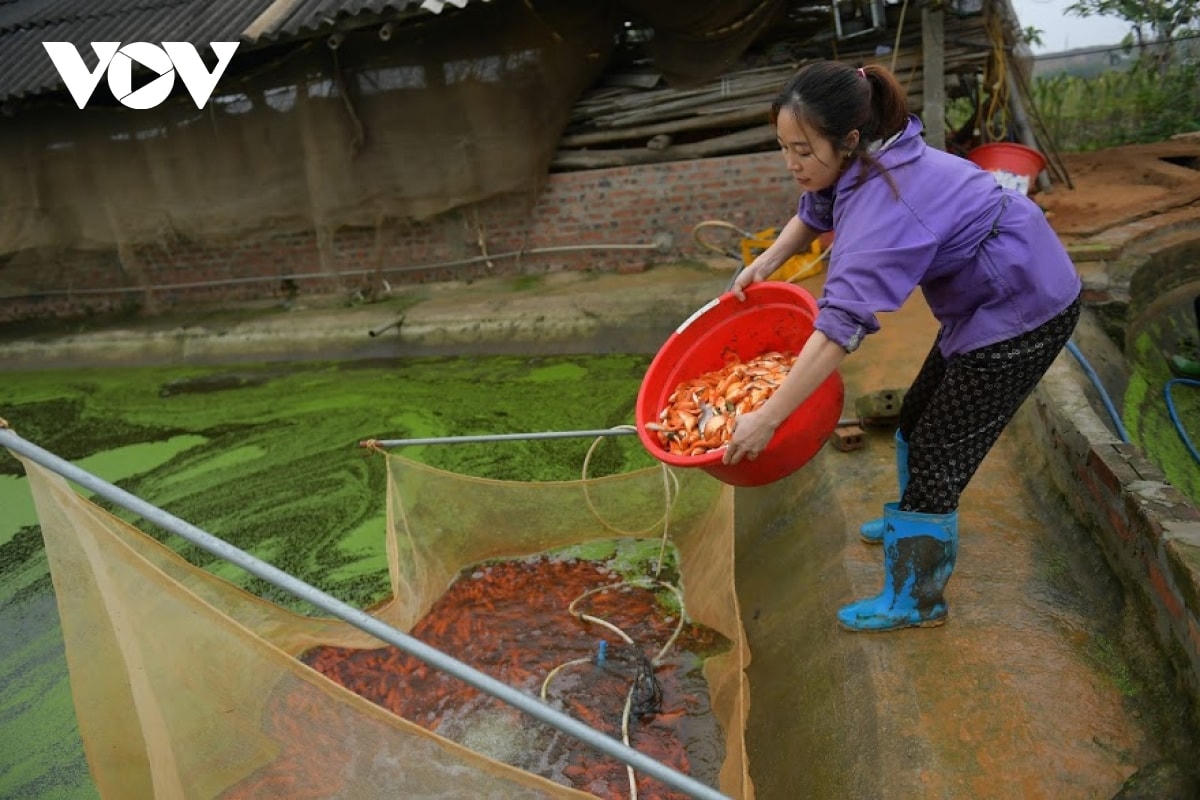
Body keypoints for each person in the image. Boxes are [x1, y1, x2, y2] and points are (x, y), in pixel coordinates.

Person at [721, 60, 1082, 633]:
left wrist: (767, 418)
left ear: (850, 140)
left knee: (941, 452)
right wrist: (765, 264)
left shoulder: (883, 205)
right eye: (783, 147)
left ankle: (916, 599)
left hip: (1022, 305)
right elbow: (814, 211)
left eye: (802, 150)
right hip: (982, 295)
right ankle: (908, 516)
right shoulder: (860, 158)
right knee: (916, 415)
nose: (791, 163)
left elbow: (840, 327)